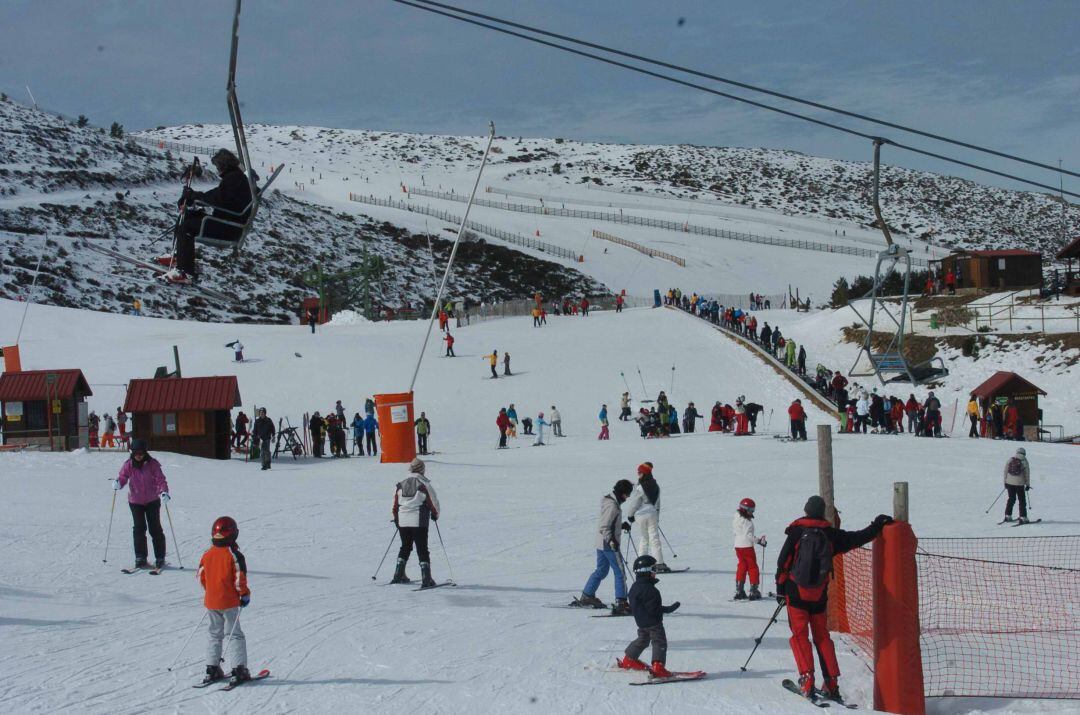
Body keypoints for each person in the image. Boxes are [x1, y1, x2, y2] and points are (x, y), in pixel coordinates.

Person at [776, 496, 893, 700]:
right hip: (819, 596)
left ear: (806, 511)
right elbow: (858, 537)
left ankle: (807, 679)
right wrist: (877, 525)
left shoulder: (796, 531)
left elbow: (783, 560)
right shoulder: (830, 535)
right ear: (822, 513)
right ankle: (831, 683)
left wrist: (780, 588)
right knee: (822, 637)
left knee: (800, 636)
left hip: (796, 593)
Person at [168, 149, 253, 282]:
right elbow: (216, 195)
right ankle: (179, 258)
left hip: (227, 228)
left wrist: (194, 196)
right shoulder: (235, 178)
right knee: (188, 216)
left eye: (218, 166)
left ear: (224, 165)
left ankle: (185, 271)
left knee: (187, 227)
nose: (217, 170)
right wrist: (194, 196)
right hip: (227, 223)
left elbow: (218, 198)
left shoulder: (234, 179)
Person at [197, 516, 251, 685]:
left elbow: (200, 576)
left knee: (214, 633)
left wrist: (211, 591)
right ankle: (238, 668)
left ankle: (212, 668)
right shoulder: (233, 555)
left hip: (212, 601)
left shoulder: (207, 554)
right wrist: (244, 594)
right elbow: (239, 578)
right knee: (234, 634)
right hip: (229, 602)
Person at [615, 554, 682, 678]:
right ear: (646, 572)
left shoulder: (634, 587)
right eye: (653, 570)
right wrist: (667, 609)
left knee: (643, 640)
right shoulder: (651, 590)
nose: (655, 573)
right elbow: (654, 610)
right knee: (659, 642)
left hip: (641, 623)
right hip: (654, 623)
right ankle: (658, 667)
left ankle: (629, 659)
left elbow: (636, 605)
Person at [575, 479, 634, 614]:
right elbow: (605, 526)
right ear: (621, 492)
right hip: (608, 544)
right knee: (620, 572)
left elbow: (608, 523)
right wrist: (612, 540)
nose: (628, 497)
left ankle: (587, 595)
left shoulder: (610, 502)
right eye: (627, 494)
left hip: (601, 543)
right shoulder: (612, 506)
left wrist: (620, 526)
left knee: (601, 570)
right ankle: (621, 602)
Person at [113, 439, 170, 570]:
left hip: (152, 501)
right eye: (136, 453)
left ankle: (160, 557)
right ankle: (140, 557)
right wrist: (118, 483)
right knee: (139, 529)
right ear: (132, 453)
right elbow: (123, 477)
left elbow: (160, 479)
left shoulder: (152, 464)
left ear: (145, 452)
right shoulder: (128, 465)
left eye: (141, 452)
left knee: (155, 528)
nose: (139, 455)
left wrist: (163, 492)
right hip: (135, 501)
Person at [391, 458, 440, 587]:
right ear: (422, 469)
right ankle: (426, 578)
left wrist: (396, 518)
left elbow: (395, 503)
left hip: (403, 520)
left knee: (405, 546)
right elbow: (433, 501)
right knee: (422, 548)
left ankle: (398, 574)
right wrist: (435, 514)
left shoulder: (401, 484)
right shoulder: (423, 484)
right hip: (418, 520)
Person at [625, 463, 668, 572]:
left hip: (640, 516)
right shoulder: (656, 486)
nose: (638, 474)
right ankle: (659, 563)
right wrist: (656, 517)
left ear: (644, 474)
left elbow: (635, 503)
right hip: (652, 514)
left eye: (640, 472)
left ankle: (641, 563)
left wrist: (630, 515)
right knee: (654, 538)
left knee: (644, 538)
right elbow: (658, 503)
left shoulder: (640, 488)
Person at [733, 497, 766, 600]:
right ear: (745, 509)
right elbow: (749, 536)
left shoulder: (736, 517)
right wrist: (759, 541)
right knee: (752, 567)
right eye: (751, 510)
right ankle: (753, 590)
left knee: (742, 565)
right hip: (747, 546)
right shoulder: (748, 523)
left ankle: (739, 590)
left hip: (738, 545)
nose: (752, 513)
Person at [1002, 447, 1031, 524]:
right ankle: (1023, 517)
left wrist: (1005, 482)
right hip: (1019, 484)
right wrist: (1027, 484)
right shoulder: (1024, 461)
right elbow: (1027, 474)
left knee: (1011, 498)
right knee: (1022, 500)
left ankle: (1008, 515)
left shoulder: (1011, 459)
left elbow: (1005, 471)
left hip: (1009, 483)